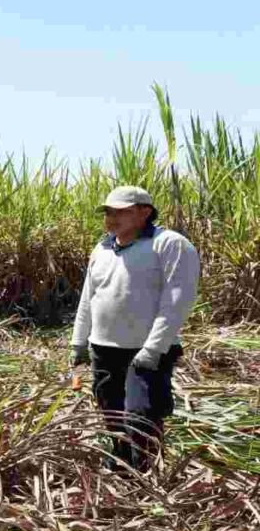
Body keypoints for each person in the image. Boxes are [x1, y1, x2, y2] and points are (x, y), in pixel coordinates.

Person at [70, 186, 199, 471]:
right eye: (108, 212)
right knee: (111, 411)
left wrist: (153, 349)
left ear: (145, 212)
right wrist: (78, 342)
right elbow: (89, 297)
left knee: (142, 414)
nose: (111, 218)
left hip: (147, 350)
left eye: (120, 211)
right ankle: (121, 465)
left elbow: (176, 301)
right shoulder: (103, 248)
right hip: (104, 348)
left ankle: (147, 474)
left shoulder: (169, 244)